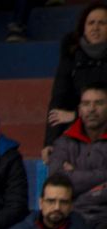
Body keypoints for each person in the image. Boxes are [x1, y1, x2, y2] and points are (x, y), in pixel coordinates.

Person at [46, 4, 107, 151]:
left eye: (102, 23)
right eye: (91, 23)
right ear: (83, 27)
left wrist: (75, 115)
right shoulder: (71, 54)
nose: (95, 27)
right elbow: (58, 101)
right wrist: (49, 143)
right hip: (78, 130)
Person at [50, 86, 107, 229]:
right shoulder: (63, 142)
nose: (92, 109)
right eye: (86, 104)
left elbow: (67, 182)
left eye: (99, 103)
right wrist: (102, 178)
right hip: (71, 216)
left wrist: (73, 174)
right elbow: (56, 181)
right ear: (80, 109)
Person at [5, 174, 96, 229]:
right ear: (41, 203)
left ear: (71, 206)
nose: (57, 207)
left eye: (63, 202)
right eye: (51, 201)